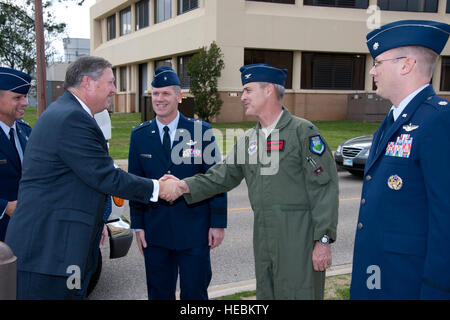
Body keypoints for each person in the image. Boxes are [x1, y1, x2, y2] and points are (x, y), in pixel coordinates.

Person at [5, 56, 175, 300]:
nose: (114, 90)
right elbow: (105, 176)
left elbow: (82, 180)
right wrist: (159, 188)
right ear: (87, 82)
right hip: (48, 254)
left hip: (62, 250)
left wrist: (97, 222)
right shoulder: (71, 118)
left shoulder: (70, 113)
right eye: (110, 82)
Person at [163, 63, 339, 300]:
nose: (242, 96)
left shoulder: (302, 132)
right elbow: (221, 176)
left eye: (248, 90)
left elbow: (324, 189)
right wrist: (183, 185)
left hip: (298, 237)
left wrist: (324, 241)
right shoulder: (249, 139)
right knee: (267, 294)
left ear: (268, 91)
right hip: (263, 235)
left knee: (300, 294)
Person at [350, 20, 450, 300]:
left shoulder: (439, 120)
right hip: (379, 275)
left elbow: (445, 218)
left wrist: (437, 291)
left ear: (406, 65)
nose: (372, 70)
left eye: (378, 62)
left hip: (407, 282)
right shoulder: (395, 118)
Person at [128, 66, 227, 300]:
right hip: (155, 231)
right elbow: (135, 185)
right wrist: (138, 226)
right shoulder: (140, 135)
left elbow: (216, 180)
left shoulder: (201, 131)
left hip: (194, 231)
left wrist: (218, 223)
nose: (159, 99)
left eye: (165, 94)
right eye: (155, 94)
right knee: (159, 293)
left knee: (195, 294)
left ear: (178, 97)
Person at [0, 67, 32, 242]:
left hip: (26, 229)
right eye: (17, 97)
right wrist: (5, 207)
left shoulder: (25, 131)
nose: (25, 103)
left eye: (25, 96)